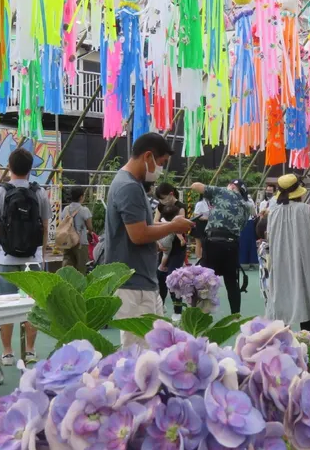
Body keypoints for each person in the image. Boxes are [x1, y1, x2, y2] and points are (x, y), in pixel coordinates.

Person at [105, 134, 193, 344]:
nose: (160, 169)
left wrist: (168, 227)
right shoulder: (130, 187)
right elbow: (138, 235)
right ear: (148, 156)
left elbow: (143, 228)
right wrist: (173, 226)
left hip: (142, 280)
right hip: (134, 285)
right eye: (160, 163)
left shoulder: (129, 183)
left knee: (154, 347)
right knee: (140, 355)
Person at [0, 147, 51, 365]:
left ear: (9, 167)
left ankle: (7, 351)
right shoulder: (40, 192)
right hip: (33, 260)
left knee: (5, 306)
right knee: (33, 306)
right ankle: (30, 350)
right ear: (30, 169)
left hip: (7, 258)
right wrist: (41, 254)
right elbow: (44, 226)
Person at [262, 174, 310, 330]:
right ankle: (307, 337)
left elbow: (268, 235)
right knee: (305, 294)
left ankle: (284, 339)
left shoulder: (273, 211)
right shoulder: (305, 209)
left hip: (280, 259)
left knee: (282, 294)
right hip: (303, 259)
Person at [189, 179, 250, 315]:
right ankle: (235, 316)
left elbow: (195, 185)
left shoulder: (222, 192)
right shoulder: (246, 206)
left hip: (213, 242)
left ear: (232, 186)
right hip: (231, 244)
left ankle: (200, 315)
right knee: (231, 283)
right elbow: (241, 227)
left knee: (205, 281)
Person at [153, 183, 188, 311]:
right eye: (160, 199)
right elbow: (154, 222)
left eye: (163, 198)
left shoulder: (181, 207)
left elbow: (180, 225)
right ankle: (159, 308)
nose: (162, 201)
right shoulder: (160, 206)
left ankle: (177, 310)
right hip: (162, 245)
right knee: (160, 278)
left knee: (174, 278)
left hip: (177, 248)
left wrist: (165, 224)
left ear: (171, 194)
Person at [59, 187, 93, 274]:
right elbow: (90, 227)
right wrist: (88, 231)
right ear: (81, 197)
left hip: (67, 242)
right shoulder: (84, 210)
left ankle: (67, 286)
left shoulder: (66, 209)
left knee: (67, 270)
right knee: (82, 269)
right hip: (81, 243)